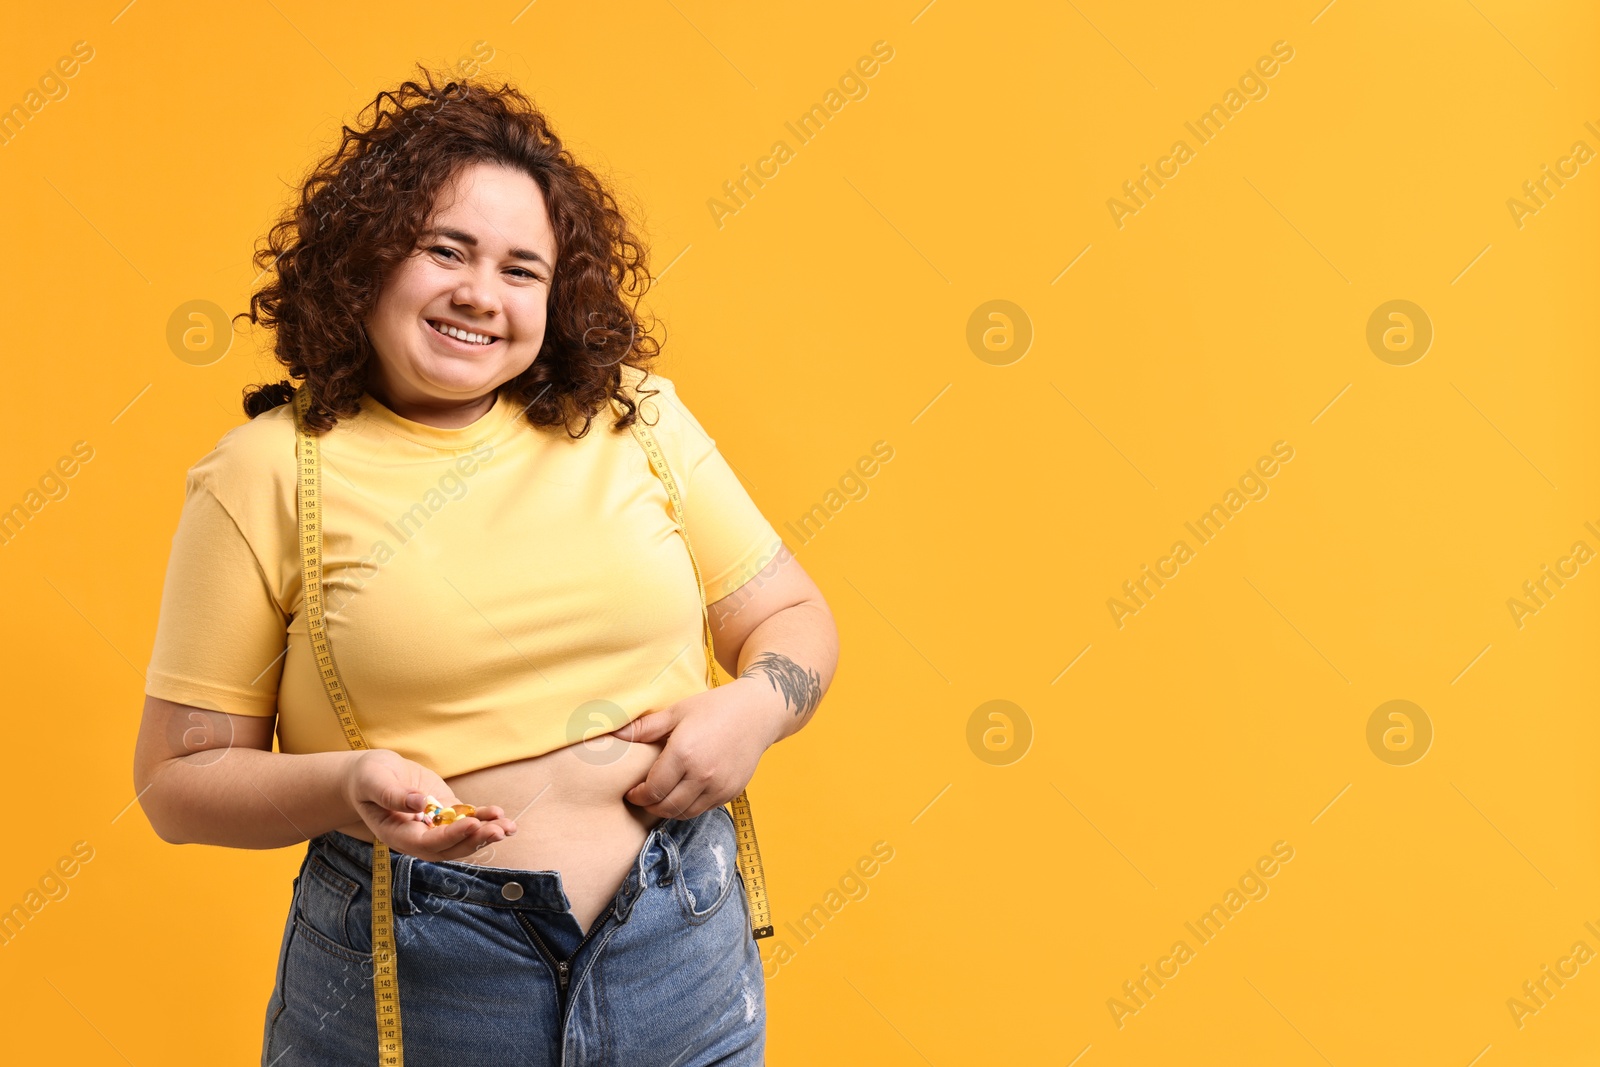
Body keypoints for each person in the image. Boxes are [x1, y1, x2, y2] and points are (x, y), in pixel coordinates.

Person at [131, 67, 839, 1066]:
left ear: (558, 295)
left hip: (680, 944)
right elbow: (176, 780)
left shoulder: (635, 419)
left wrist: (759, 706)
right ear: (366, 261)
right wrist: (345, 785)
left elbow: (796, 617)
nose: (479, 292)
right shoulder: (265, 473)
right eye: (444, 249)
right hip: (424, 979)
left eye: (521, 269)